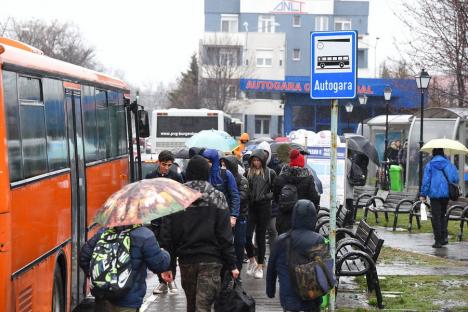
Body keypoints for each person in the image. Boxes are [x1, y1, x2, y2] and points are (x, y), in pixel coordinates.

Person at [160, 156, 239, 312]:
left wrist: (168, 266)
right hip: (211, 259)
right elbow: (225, 235)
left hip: (186, 260)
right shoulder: (217, 197)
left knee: (191, 304)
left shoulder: (176, 198)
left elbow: (167, 234)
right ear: (206, 173)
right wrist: (232, 264)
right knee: (203, 306)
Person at [79, 225, 171, 311]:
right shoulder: (144, 235)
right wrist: (165, 254)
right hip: (129, 301)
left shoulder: (103, 233)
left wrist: (97, 277)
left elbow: (83, 257)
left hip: (103, 298)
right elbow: (159, 265)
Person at [266, 200, 326, 312]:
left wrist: (270, 290)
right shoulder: (318, 240)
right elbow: (322, 270)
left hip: (289, 297)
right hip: (311, 296)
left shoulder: (281, 240)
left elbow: (271, 268)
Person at [145, 150, 183, 295]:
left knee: (171, 251)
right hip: (156, 219)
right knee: (158, 251)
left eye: (169, 165)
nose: (167, 167)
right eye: (164, 164)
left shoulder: (176, 176)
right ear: (158, 162)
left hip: (172, 217)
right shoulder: (151, 176)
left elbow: (181, 196)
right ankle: (162, 282)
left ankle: (171, 280)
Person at [245, 148, 276, 279]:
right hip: (251, 207)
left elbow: (275, 190)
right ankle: (252, 259)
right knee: (247, 236)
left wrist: (265, 196)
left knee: (260, 237)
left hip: (264, 208)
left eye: (258, 160)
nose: (256, 162)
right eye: (254, 160)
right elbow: (245, 188)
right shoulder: (248, 173)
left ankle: (260, 266)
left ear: (262, 161)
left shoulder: (270, 173)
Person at [273, 149, 320, 234]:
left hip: (283, 219)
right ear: (302, 165)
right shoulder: (308, 179)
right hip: (302, 219)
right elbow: (314, 198)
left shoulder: (281, 178)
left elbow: (276, 197)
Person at [420, 148, 459, 248]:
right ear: (442, 153)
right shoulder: (449, 164)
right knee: (442, 215)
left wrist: (423, 194)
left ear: (433, 153)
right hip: (445, 194)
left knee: (436, 217)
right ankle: (444, 237)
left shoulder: (429, 165)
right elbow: (455, 178)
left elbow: (426, 181)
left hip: (434, 195)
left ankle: (438, 241)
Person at [221, 155, 250, 275]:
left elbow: (242, 196)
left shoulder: (242, 180)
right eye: (221, 164)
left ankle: (237, 270)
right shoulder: (221, 178)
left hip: (240, 217)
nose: (223, 167)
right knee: (225, 244)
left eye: (225, 164)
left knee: (239, 244)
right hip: (224, 217)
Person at [202, 149, 240, 226]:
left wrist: (233, 216)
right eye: (205, 161)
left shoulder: (226, 174)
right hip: (207, 216)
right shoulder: (203, 174)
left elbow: (235, 195)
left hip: (223, 214)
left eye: (210, 161)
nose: (207, 164)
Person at [257, 141, 279, 250]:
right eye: (262, 153)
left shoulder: (275, 168)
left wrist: (268, 195)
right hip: (258, 205)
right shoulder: (253, 167)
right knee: (259, 230)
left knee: (273, 230)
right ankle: (258, 253)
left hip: (272, 205)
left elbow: (277, 188)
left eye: (266, 153)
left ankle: (273, 253)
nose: (264, 156)